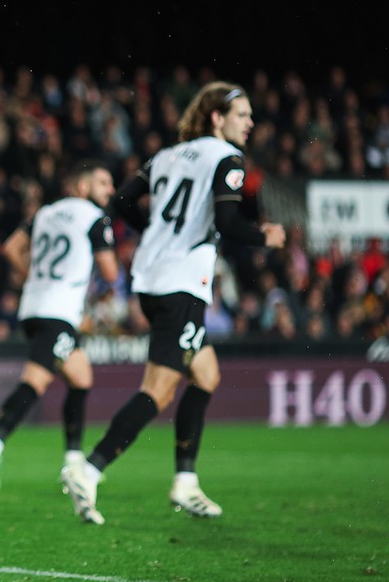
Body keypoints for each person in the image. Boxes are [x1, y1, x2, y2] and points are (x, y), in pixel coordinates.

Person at [60, 81, 286, 525]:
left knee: (206, 374)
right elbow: (227, 221)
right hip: (182, 283)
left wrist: (158, 231)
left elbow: (121, 200)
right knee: (159, 391)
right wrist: (266, 236)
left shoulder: (165, 156)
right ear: (217, 118)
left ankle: (186, 482)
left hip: (151, 276)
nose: (250, 122)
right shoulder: (227, 159)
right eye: (242, 114)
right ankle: (89, 469)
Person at [0, 160, 119, 491]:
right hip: (60, 311)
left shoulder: (46, 212)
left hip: (34, 305)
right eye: (102, 182)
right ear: (83, 186)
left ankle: (74, 462)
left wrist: (33, 276)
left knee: (81, 377)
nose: (109, 189)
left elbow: (10, 248)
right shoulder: (95, 219)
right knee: (35, 381)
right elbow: (110, 273)